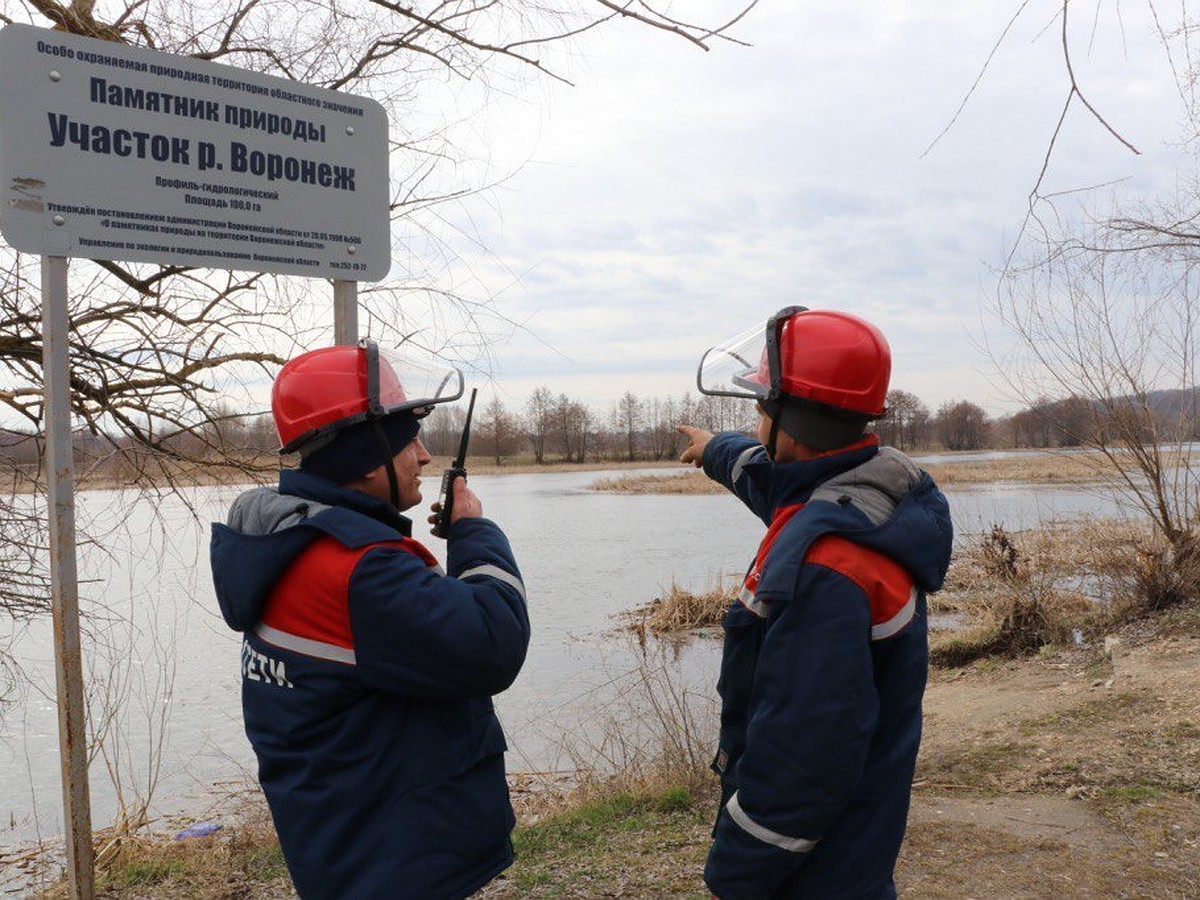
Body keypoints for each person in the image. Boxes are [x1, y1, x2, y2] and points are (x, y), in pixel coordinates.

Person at [209, 340, 530, 900]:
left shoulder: (287, 542)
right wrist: (475, 531)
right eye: (410, 441)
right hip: (397, 861)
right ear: (361, 462)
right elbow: (492, 642)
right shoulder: (359, 570)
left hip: (345, 846)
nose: (425, 457)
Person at [678, 306, 953, 899]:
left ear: (791, 425)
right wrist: (712, 449)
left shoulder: (824, 568)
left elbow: (802, 762)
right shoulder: (868, 497)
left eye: (761, 411)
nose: (754, 426)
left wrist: (736, 872)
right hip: (859, 845)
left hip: (814, 874)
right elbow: (764, 474)